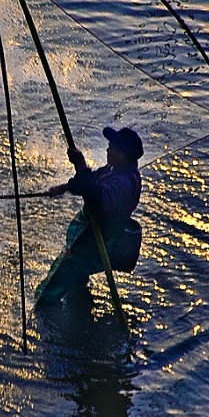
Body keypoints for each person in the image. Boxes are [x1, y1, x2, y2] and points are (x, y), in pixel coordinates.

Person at [35, 126, 144, 305]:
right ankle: (80, 301)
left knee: (56, 282)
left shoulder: (124, 183)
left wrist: (80, 164)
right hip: (90, 232)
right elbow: (90, 180)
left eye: (112, 148)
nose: (107, 149)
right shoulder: (113, 169)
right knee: (78, 278)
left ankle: (42, 312)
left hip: (98, 239)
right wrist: (63, 188)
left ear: (122, 156)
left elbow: (96, 197)